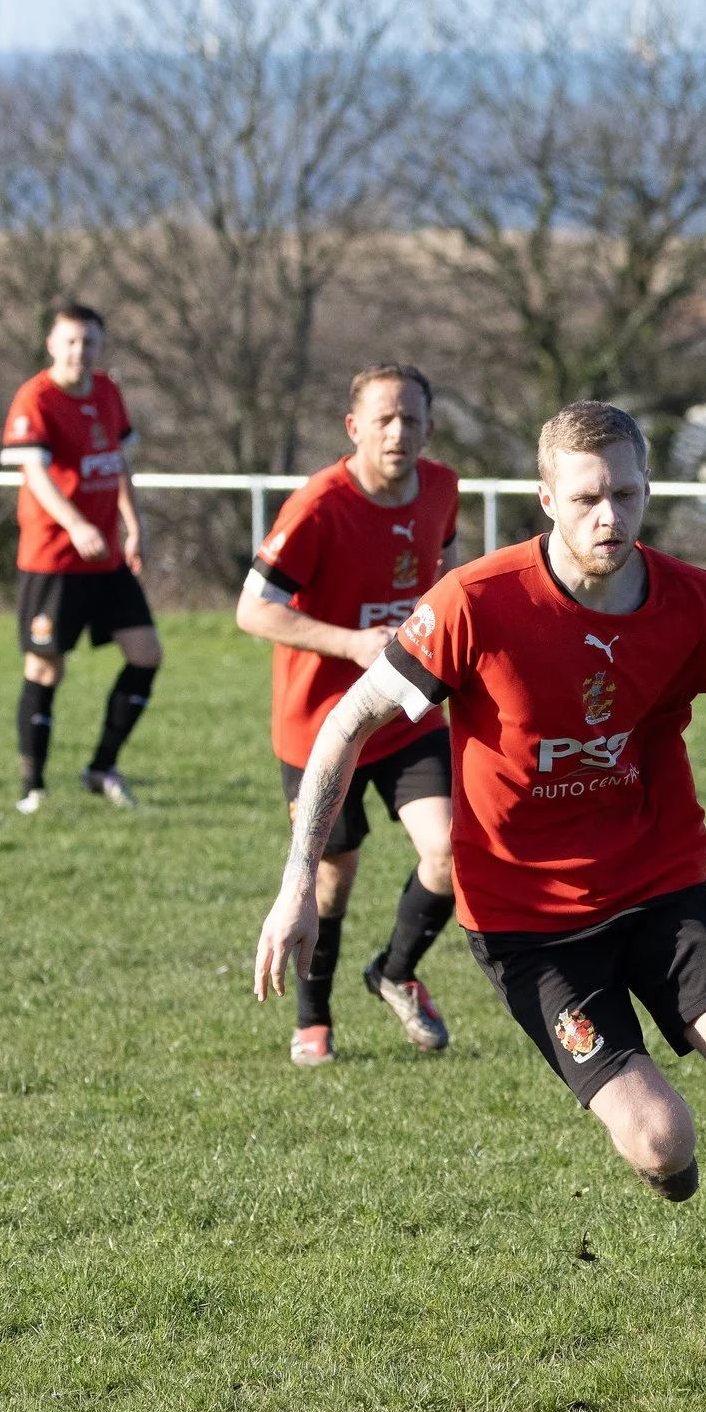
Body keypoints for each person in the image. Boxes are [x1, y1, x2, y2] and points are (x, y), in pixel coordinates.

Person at [253, 401, 706, 1310]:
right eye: (589, 498)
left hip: (658, 889)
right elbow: (344, 726)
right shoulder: (474, 604)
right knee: (662, 1143)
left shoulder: (696, 602)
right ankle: (667, 1164)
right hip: (528, 926)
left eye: (628, 495)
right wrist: (297, 881)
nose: (611, 517)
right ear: (547, 499)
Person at [237, 364, 465, 1068]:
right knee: (331, 877)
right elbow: (253, 609)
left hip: (407, 713)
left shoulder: (442, 488)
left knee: (453, 851)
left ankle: (394, 972)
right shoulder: (318, 505)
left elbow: (447, 576)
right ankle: (313, 1019)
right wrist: (352, 644)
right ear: (354, 427)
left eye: (414, 420)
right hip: (320, 722)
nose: (400, 433)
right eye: (386, 419)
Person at [2, 303, 161, 813]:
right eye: (70, 341)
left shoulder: (108, 391)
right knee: (47, 669)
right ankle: (33, 787)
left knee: (146, 654)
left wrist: (132, 527)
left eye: (88, 342)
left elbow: (118, 464)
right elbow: (37, 476)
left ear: (99, 346)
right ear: (51, 343)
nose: (79, 351)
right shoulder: (35, 398)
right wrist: (74, 524)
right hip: (53, 559)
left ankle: (101, 768)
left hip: (107, 559)